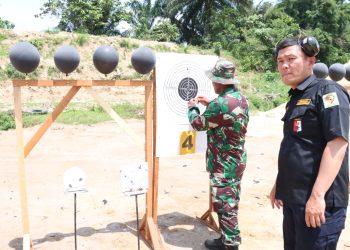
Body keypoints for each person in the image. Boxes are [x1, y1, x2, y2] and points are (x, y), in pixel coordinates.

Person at [269, 36, 350, 250]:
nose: (284, 65)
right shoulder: (297, 95)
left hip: (319, 204)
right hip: (295, 199)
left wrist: (317, 196)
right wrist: (280, 182)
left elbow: (338, 144)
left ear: (311, 61)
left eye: (291, 58)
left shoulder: (328, 91)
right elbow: (296, 144)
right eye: (280, 61)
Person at [187, 59, 249, 250]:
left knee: (224, 205)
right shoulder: (240, 98)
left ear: (222, 81)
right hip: (236, 160)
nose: (212, 83)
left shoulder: (220, 104)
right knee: (230, 200)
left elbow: (197, 123)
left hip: (223, 163)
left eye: (214, 80)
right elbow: (225, 113)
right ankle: (226, 239)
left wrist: (192, 107)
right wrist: (212, 103)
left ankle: (231, 244)